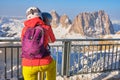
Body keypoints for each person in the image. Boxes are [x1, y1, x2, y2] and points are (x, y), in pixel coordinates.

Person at [21, 7, 56, 80]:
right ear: (40, 15)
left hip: (28, 64)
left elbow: (23, 42)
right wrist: (48, 25)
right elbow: (52, 40)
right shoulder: (46, 27)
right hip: (45, 62)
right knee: (52, 66)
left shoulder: (24, 29)